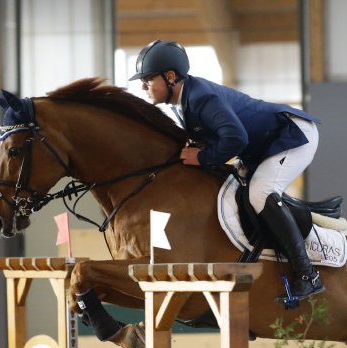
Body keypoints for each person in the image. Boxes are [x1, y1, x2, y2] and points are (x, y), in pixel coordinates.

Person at [129, 40, 324, 303]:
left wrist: (203, 157)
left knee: (260, 193)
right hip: (264, 145)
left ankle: (307, 275)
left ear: (171, 76)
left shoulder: (200, 97)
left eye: (148, 79)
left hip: (293, 136)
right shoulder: (182, 104)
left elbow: (236, 139)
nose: (143, 86)